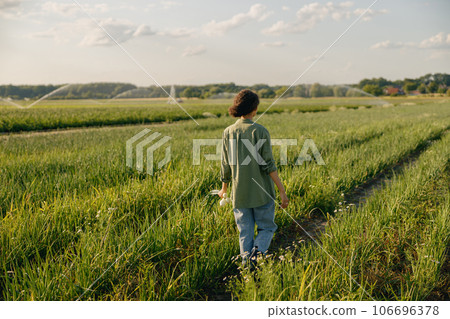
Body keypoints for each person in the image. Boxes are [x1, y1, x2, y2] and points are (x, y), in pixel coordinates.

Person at [218, 89, 289, 266]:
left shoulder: (228, 132)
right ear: (254, 109)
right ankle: (258, 252)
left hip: (239, 193)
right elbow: (269, 165)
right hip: (262, 193)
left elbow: (225, 164)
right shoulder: (260, 131)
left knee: (245, 231)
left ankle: (246, 266)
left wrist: (224, 189)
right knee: (267, 227)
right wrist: (282, 191)